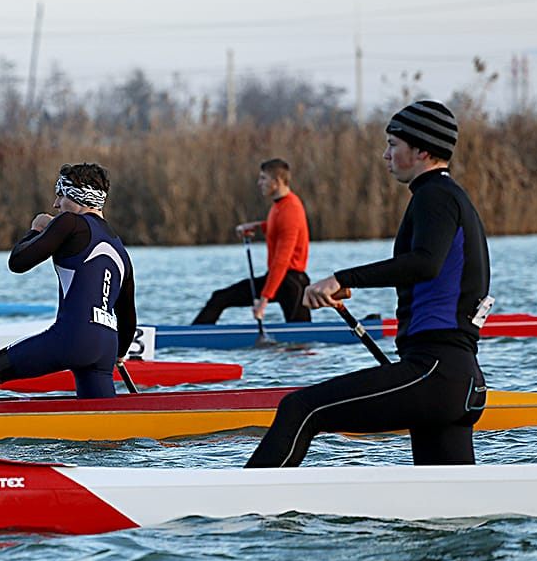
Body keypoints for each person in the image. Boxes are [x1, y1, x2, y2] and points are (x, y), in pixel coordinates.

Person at [245, 100, 491, 468]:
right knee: (446, 514)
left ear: (421, 150)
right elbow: (433, 270)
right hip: (455, 379)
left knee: (300, 409)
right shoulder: (452, 196)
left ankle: (240, 517)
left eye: (393, 145)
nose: (385, 154)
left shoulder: (434, 196)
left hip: (435, 372)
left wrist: (343, 279)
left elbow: (424, 263)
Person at [0, 162, 136, 402]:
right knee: (102, 425)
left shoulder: (70, 223)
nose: (56, 204)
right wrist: (119, 354)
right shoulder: (119, 247)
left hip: (72, 338)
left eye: (60, 195)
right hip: (106, 347)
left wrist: (36, 229)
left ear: (77, 196)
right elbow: (128, 316)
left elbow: (18, 263)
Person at [192, 158, 311, 325]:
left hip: (291, 282)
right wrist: (257, 226)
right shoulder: (280, 205)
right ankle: (197, 335)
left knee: (300, 341)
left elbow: (281, 261)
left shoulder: (290, 209)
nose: (259, 183)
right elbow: (277, 227)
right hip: (281, 279)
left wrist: (263, 302)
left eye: (263, 178)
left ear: (276, 182)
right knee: (219, 298)